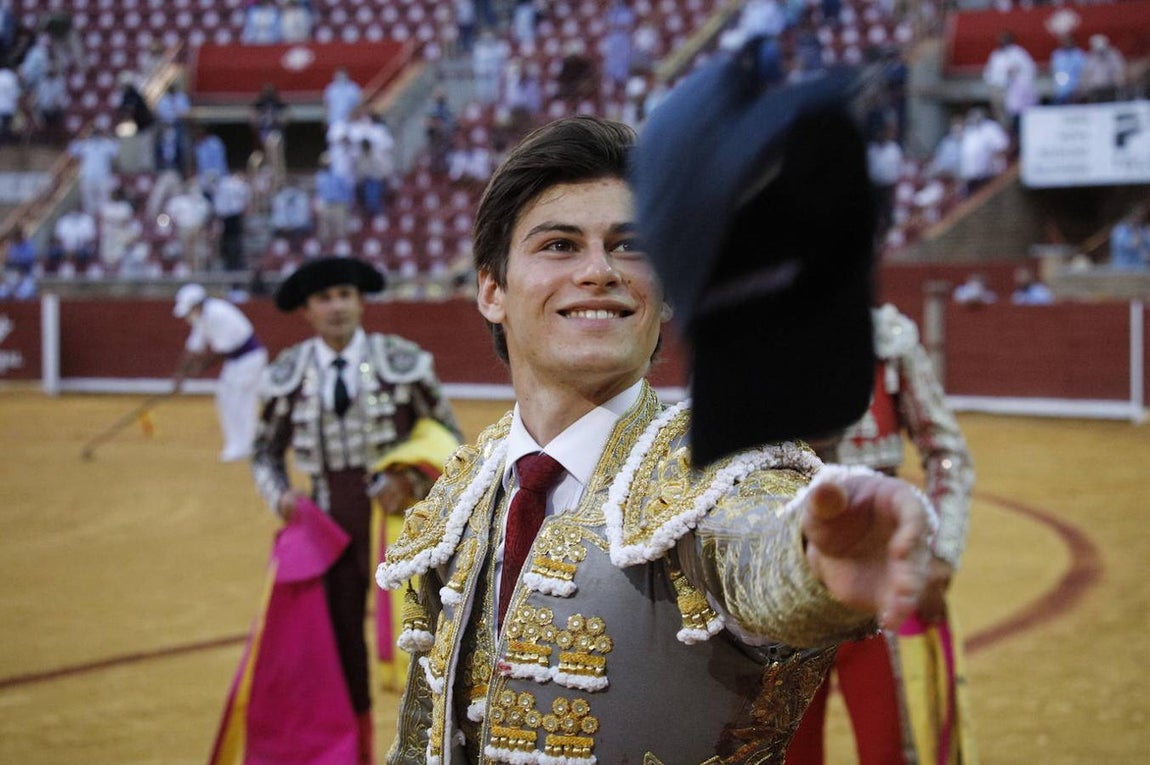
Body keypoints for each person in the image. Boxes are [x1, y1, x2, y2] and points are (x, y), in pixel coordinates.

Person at [376, 116, 935, 763]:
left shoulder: (719, 472)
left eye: (630, 246)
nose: (598, 270)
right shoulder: (464, 494)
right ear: (492, 290)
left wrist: (814, 558)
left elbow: (756, 542)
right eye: (559, 245)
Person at [211, 257, 462, 765]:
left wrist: (412, 481)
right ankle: (353, 752)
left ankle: (434, 748)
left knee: (425, 636)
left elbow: (448, 440)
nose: (336, 307)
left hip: (401, 523)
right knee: (337, 647)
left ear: (360, 301)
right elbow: (265, 452)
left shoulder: (402, 361)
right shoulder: (288, 373)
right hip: (327, 529)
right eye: (324, 298)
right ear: (306, 310)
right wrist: (280, 496)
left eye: (345, 294)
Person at [787, 303, 976, 765]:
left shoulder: (888, 339)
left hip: (883, 586)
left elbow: (947, 453)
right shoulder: (749, 336)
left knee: (893, 749)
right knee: (787, 753)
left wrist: (940, 555)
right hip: (782, 585)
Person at [171, 283, 268, 462]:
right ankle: (239, 444)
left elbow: (224, 350)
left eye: (188, 310)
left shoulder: (217, 314)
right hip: (237, 360)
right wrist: (180, 374)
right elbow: (193, 347)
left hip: (249, 359)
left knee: (241, 401)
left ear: (198, 304)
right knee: (226, 398)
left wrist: (199, 368)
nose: (187, 316)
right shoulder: (201, 316)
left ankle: (245, 445)